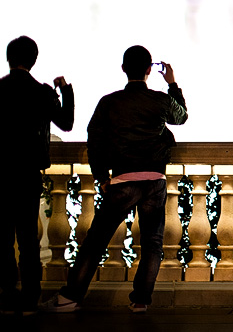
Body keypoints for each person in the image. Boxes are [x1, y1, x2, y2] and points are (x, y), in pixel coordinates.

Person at [42, 45, 187, 314]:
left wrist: (101, 177)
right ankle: (141, 301)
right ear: (148, 70)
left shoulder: (109, 102)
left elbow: (94, 141)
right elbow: (181, 117)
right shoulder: (159, 101)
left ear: (123, 69)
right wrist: (172, 83)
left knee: (96, 241)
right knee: (152, 244)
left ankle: (70, 297)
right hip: (154, 179)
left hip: (123, 179)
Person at [0, 36, 74, 316]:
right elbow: (65, 123)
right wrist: (65, 91)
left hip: (1, 172)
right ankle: (31, 296)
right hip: (28, 173)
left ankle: (7, 293)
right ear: (33, 60)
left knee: (3, 236)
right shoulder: (41, 92)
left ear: (9, 59)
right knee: (29, 237)